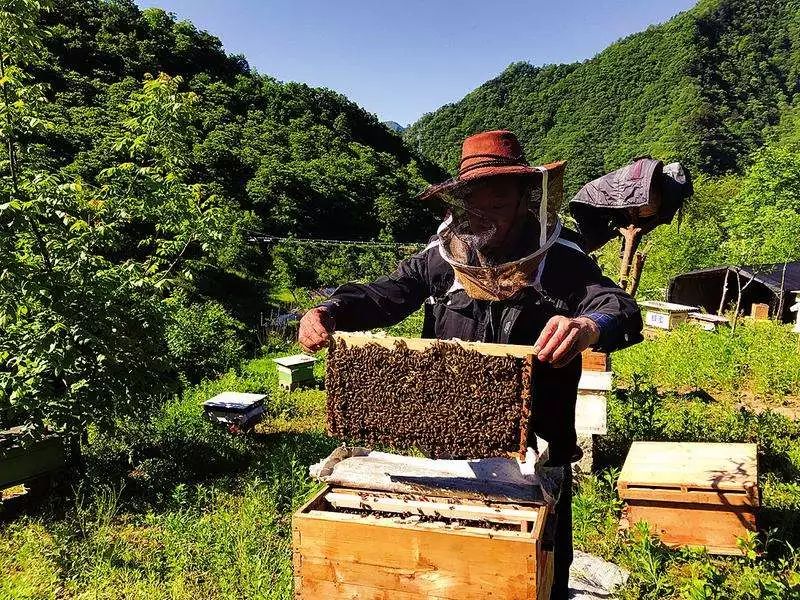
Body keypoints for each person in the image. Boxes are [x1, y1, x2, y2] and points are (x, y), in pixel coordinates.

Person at [298, 130, 643, 599]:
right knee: (459, 571)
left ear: (526, 199)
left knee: (541, 575)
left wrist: (587, 324)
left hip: (536, 449)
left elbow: (616, 305)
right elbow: (384, 295)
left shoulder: (563, 259)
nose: (484, 215)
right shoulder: (440, 259)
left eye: (497, 202)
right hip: (453, 449)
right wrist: (329, 310)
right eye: (473, 203)